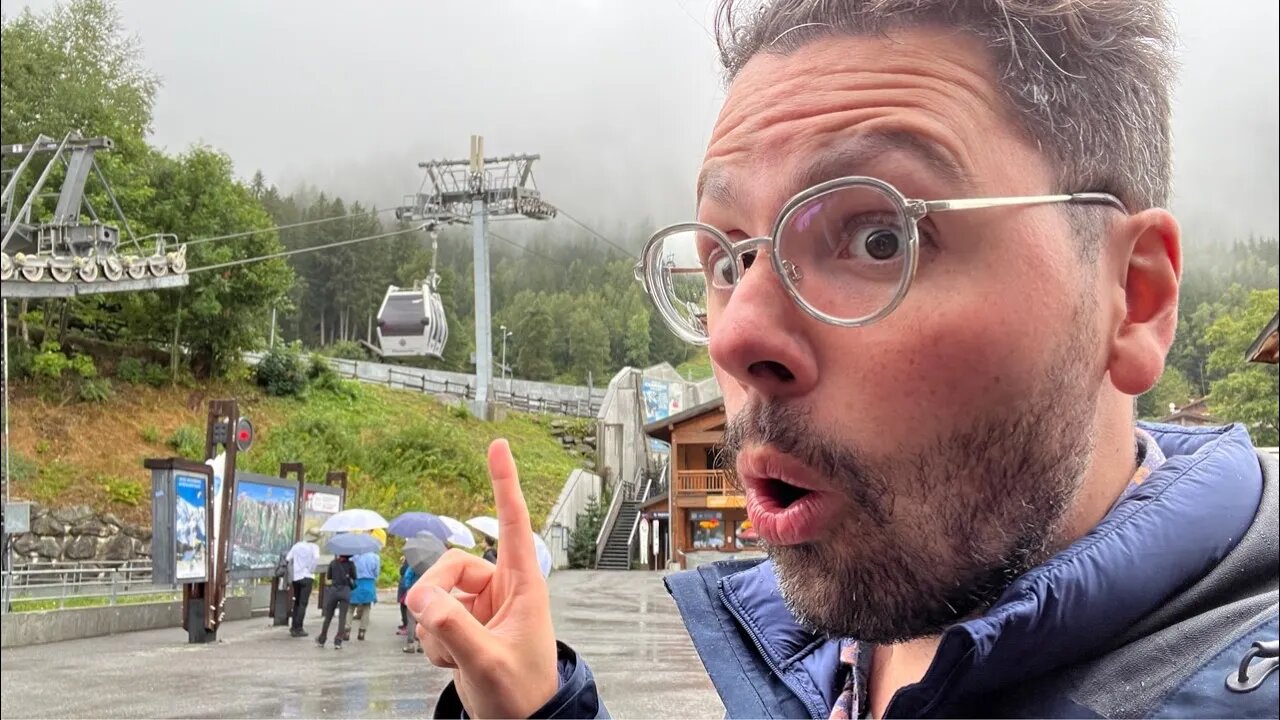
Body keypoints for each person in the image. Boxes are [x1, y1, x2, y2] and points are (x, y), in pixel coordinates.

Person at [408, 0, 1279, 717]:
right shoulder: (835, 643)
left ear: (1135, 297)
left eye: (878, 236)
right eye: (728, 258)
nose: (736, 336)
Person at [316, 553, 355, 650]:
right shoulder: (351, 564)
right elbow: (354, 577)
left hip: (334, 591)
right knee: (342, 618)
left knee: (328, 616)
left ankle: (322, 638)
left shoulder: (333, 563)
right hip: (345, 591)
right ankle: (338, 641)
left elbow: (329, 577)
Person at [283, 536, 320, 637]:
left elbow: (287, 558)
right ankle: (298, 628)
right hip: (307, 577)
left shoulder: (297, 545)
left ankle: (293, 626)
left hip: (296, 577)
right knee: (303, 603)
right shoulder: (314, 547)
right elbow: (316, 558)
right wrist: (311, 569)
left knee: (297, 602)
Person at [346, 549, 381, 641]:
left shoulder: (354, 557)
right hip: (369, 584)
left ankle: (347, 630)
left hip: (356, 583)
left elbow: (349, 571)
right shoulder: (375, 557)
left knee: (350, 608)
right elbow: (376, 573)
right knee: (366, 608)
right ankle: (362, 631)